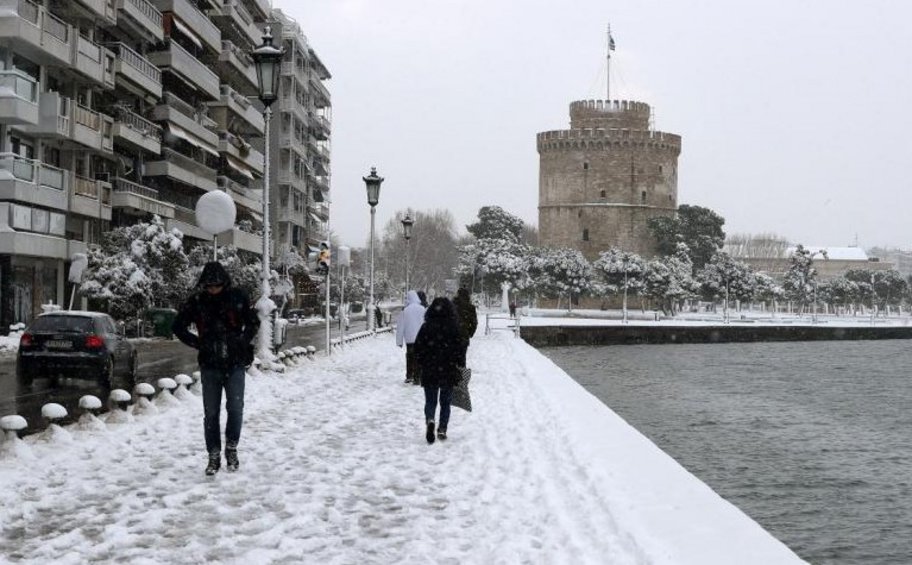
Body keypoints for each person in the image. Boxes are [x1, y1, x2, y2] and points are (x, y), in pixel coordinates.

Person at [173, 262, 259, 476]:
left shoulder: (237, 297)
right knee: (211, 412)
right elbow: (178, 326)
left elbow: (253, 322)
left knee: (235, 408)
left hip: (235, 362)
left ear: (224, 283)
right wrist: (199, 343)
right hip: (210, 364)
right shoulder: (198, 301)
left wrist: (241, 341)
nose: (213, 290)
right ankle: (213, 454)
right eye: (209, 286)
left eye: (217, 285)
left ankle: (231, 448)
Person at [414, 297, 463, 443]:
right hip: (448, 369)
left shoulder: (426, 327)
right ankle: (442, 428)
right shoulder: (454, 327)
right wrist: (458, 364)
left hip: (430, 368)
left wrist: (423, 362)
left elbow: (418, 348)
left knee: (430, 400)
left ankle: (430, 419)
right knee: (445, 402)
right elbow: (460, 349)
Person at [395, 290, 426, 385]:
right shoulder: (422, 309)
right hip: (421, 338)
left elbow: (400, 327)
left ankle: (409, 375)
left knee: (410, 356)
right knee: (419, 357)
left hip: (409, 339)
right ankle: (418, 377)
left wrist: (399, 341)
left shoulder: (405, 311)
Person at [452, 287, 478, 367]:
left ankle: (451, 375)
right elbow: (474, 323)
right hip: (463, 335)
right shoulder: (470, 307)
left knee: (451, 357)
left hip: (451, 335)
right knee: (462, 357)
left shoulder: (451, 305)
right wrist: (470, 333)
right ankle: (462, 376)